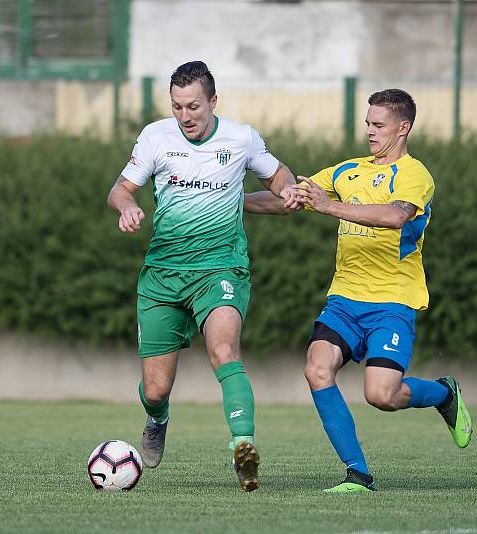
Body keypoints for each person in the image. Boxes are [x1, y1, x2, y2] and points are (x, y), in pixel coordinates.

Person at [244, 88, 472, 492]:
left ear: (403, 128)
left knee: (382, 395)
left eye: (378, 125)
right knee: (316, 368)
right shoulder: (347, 171)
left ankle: (442, 394)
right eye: (367, 122)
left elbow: (395, 216)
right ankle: (358, 473)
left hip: (392, 303)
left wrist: (329, 207)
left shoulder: (416, 175)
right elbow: (289, 199)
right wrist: (229, 200)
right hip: (345, 300)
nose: (369, 131)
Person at [107, 60, 299, 492]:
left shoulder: (241, 138)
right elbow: (119, 189)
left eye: (193, 105)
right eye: (177, 106)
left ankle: (243, 447)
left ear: (213, 101)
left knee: (225, 349)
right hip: (163, 276)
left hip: (220, 269)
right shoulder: (156, 136)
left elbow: (278, 173)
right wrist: (127, 207)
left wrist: (286, 188)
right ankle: (157, 419)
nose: (185, 115)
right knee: (155, 389)